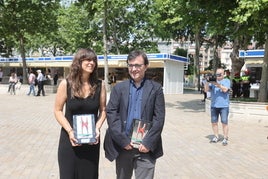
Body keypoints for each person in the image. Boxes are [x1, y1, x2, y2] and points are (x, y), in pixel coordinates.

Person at [104, 50, 165, 179]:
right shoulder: (118, 88)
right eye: (130, 65)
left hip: (146, 148)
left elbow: (159, 118)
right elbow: (111, 113)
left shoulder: (156, 88)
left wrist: (148, 143)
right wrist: (122, 140)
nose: (134, 69)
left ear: (146, 66)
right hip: (124, 146)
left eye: (138, 65)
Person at [54, 48, 106, 179]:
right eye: (88, 59)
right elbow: (57, 110)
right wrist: (70, 131)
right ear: (78, 62)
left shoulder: (100, 85)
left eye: (94, 60)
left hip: (91, 142)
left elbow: (103, 110)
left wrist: (97, 128)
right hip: (69, 140)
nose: (91, 63)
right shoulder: (66, 84)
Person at [204, 68, 230, 146]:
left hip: (224, 106)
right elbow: (206, 90)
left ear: (223, 74)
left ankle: (225, 138)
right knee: (214, 122)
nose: (218, 76)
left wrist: (217, 84)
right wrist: (207, 82)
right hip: (214, 105)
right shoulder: (212, 82)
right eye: (217, 74)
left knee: (224, 122)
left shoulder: (226, 81)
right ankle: (216, 136)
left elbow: (225, 90)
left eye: (220, 74)